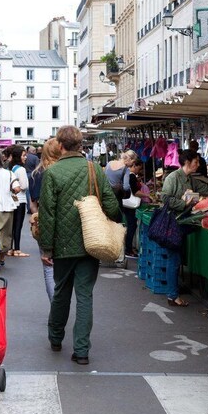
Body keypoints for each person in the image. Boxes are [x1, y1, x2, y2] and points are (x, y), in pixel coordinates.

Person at [39, 126, 120, 365]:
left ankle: (55, 338)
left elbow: (47, 214)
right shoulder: (94, 169)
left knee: (61, 291)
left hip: (62, 244)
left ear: (61, 146)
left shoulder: (52, 173)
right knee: (85, 295)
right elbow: (113, 206)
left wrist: (47, 248)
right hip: (91, 241)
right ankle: (82, 351)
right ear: (80, 145)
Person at [161, 149, 208, 307]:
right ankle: (172, 295)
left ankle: (175, 290)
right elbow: (164, 198)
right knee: (174, 258)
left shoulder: (190, 179)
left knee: (177, 256)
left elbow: (207, 190)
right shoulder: (173, 178)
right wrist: (183, 203)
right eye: (196, 162)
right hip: (173, 222)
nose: (198, 164)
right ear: (187, 162)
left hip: (183, 221)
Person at [29, 138, 62, 301]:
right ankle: (63, 304)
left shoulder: (37, 173)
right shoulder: (64, 171)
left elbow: (33, 204)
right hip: (66, 223)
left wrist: (38, 216)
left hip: (44, 224)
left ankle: (55, 307)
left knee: (49, 269)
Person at [121, 159, 148, 259]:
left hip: (127, 205)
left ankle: (129, 248)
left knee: (132, 226)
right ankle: (128, 249)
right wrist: (147, 195)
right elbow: (135, 192)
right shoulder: (131, 176)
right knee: (132, 226)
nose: (139, 171)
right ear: (134, 166)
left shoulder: (129, 175)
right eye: (139, 168)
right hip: (130, 206)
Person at [7, 146, 29, 256]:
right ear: (18, 157)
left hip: (12, 199)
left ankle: (10, 248)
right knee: (18, 225)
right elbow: (24, 186)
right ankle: (17, 249)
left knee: (12, 225)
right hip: (20, 199)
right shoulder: (21, 169)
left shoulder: (11, 168)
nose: (25, 157)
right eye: (24, 155)